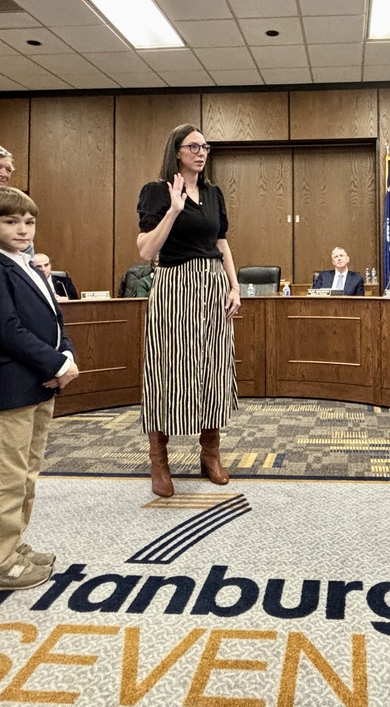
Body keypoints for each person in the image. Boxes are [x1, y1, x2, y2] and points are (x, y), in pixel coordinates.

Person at [0, 188, 77, 591]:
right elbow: (6, 330)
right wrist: (56, 363)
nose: (22, 229)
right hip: (13, 383)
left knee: (28, 472)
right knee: (8, 476)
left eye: (28, 222)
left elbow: (55, 322)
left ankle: (13, 546)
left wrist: (64, 355)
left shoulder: (29, 265)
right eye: (10, 222)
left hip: (39, 382)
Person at [137, 123, 239, 498]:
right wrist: (174, 210)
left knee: (214, 367)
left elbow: (222, 242)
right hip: (173, 286)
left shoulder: (213, 193)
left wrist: (234, 284)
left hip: (212, 285)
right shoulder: (156, 191)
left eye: (205, 146)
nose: (201, 152)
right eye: (193, 146)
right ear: (176, 151)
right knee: (167, 369)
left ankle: (210, 453)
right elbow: (146, 251)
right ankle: (159, 460)